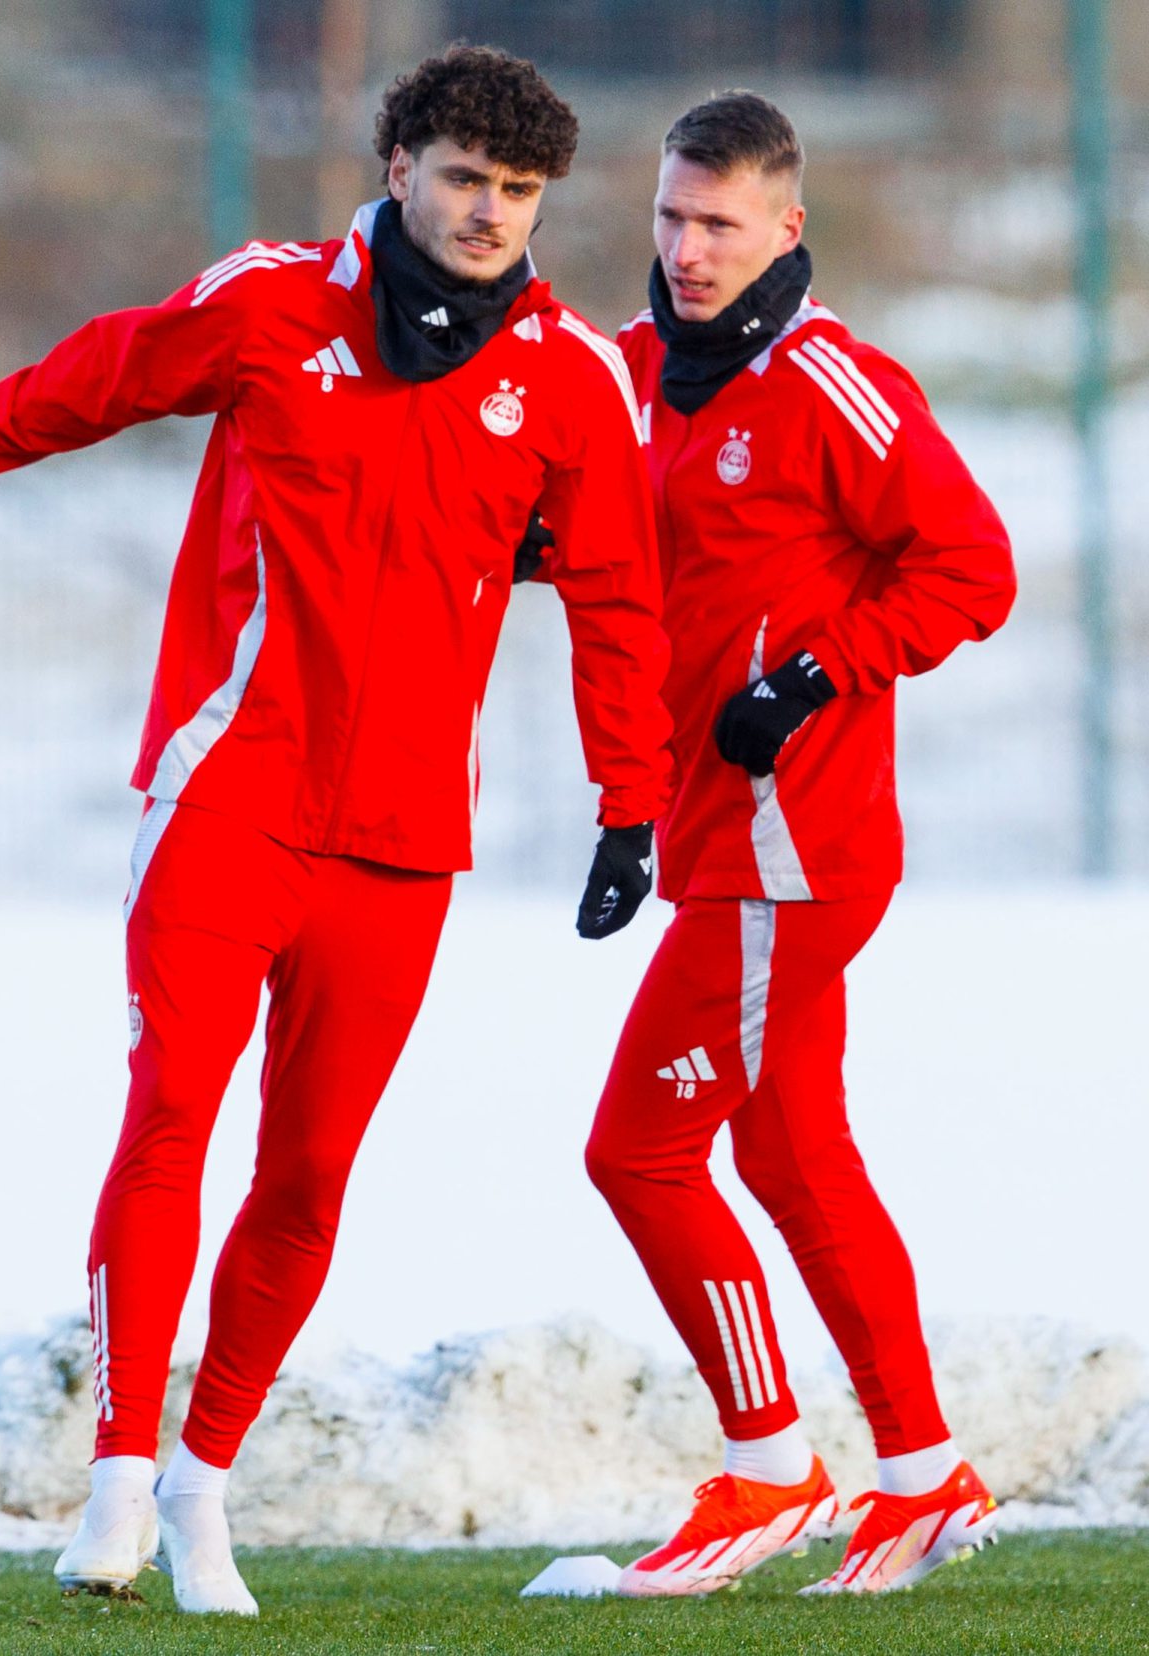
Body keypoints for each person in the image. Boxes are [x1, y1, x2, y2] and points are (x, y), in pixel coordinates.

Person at [0, 46, 671, 1616]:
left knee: (307, 1172)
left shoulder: (572, 378)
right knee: (172, 1113)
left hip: (405, 839)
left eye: (518, 192)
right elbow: (105, 371)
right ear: (396, 167)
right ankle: (115, 1477)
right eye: (462, 179)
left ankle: (205, 1487)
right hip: (229, 794)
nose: (489, 214)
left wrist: (631, 804)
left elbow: (621, 603)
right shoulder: (275, 302)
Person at [577, 91, 1016, 1597]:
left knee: (638, 1150)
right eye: (670, 218)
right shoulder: (623, 375)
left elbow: (973, 568)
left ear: (786, 229)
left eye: (720, 224)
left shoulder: (837, 383)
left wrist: (814, 676)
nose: (689, 250)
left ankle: (770, 1467)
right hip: (709, 842)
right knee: (790, 1147)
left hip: (798, 852)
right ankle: (923, 1474)